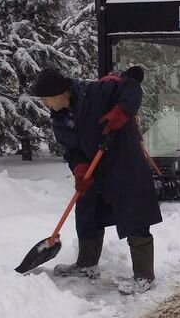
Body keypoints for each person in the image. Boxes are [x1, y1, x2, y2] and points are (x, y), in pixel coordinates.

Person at [34, 66, 162, 295]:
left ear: (60, 92)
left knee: (134, 217)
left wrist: (122, 112)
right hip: (96, 171)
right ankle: (87, 264)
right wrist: (80, 170)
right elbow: (72, 150)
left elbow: (131, 86)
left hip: (125, 164)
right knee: (87, 212)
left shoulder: (95, 92)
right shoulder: (60, 120)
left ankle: (144, 276)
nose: (45, 104)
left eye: (46, 98)